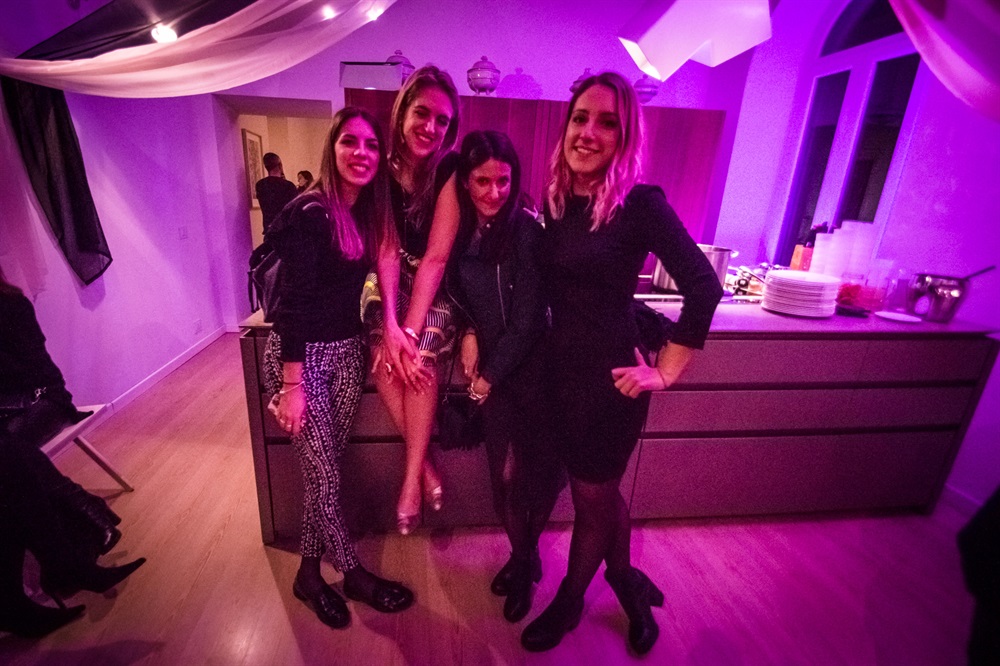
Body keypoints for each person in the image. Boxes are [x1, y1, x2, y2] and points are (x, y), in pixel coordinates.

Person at [520, 71, 723, 655]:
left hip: (610, 386)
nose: (588, 132)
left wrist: (667, 370)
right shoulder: (559, 200)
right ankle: (626, 583)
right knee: (601, 495)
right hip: (561, 375)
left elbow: (703, 286)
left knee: (592, 500)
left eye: (606, 123)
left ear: (625, 136)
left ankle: (569, 601)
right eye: (580, 118)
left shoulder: (640, 203)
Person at [264, 107, 414, 629]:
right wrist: (292, 384)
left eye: (371, 145)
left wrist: (386, 327)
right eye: (350, 142)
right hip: (301, 360)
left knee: (322, 473)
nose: (361, 153)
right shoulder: (310, 213)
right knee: (326, 476)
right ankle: (352, 573)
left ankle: (309, 575)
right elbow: (292, 305)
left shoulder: (368, 213)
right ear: (332, 148)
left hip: (347, 353)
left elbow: (384, 268)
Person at [448, 130, 565, 622]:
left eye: (504, 180)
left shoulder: (526, 234)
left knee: (533, 477)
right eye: (482, 181)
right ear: (465, 181)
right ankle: (523, 557)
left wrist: (488, 377)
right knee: (502, 479)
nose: (495, 192)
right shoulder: (457, 231)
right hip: (495, 375)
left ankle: (522, 561)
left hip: (533, 371)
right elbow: (458, 296)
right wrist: (469, 332)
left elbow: (528, 320)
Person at [0, 269, 145, 637]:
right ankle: (77, 540)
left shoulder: (10, 304)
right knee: (9, 463)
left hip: (39, 400)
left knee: (8, 459)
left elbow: (30, 373)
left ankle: (31, 588)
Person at [363, 65, 462, 535]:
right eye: (423, 113)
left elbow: (437, 258)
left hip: (436, 282)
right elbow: (385, 249)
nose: (431, 126)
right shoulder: (381, 169)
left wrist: (408, 330)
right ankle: (424, 467)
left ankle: (408, 483)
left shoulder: (449, 169)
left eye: (442, 120)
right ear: (402, 111)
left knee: (417, 356)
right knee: (384, 356)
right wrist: (389, 326)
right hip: (388, 279)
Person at [255, 152, 298, 234]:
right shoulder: (289, 186)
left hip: (269, 229)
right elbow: (294, 210)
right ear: (280, 165)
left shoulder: (260, 185)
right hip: (286, 230)